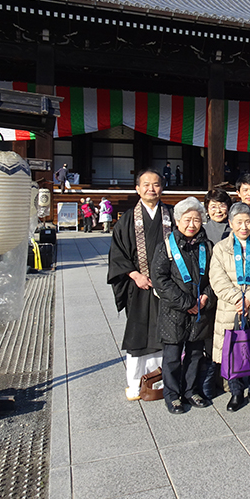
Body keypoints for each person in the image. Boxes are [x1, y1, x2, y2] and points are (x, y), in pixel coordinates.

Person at [107, 169, 174, 401]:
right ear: (137, 189)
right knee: (139, 335)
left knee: (168, 333)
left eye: (156, 184)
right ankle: (135, 383)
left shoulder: (172, 215)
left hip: (168, 286)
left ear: (162, 188)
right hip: (139, 286)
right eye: (146, 185)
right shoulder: (126, 220)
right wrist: (135, 275)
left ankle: (167, 380)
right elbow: (117, 253)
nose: (151, 189)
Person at [150, 197, 215, 414]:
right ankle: (172, 394)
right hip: (174, 313)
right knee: (172, 357)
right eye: (187, 219)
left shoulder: (207, 246)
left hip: (200, 312)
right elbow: (160, 279)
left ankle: (191, 390)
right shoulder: (166, 246)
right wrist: (186, 303)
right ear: (177, 221)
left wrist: (205, 297)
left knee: (196, 355)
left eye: (196, 219)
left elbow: (214, 277)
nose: (191, 224)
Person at [209, 202, 250, 412]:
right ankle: (236, 392)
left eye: (247, 221)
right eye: (239, 222)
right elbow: (217, 279)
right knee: (232, 350)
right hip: (230, 309)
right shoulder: (220, 248)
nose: (244, 226)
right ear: (231, 223)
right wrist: (238, 299)